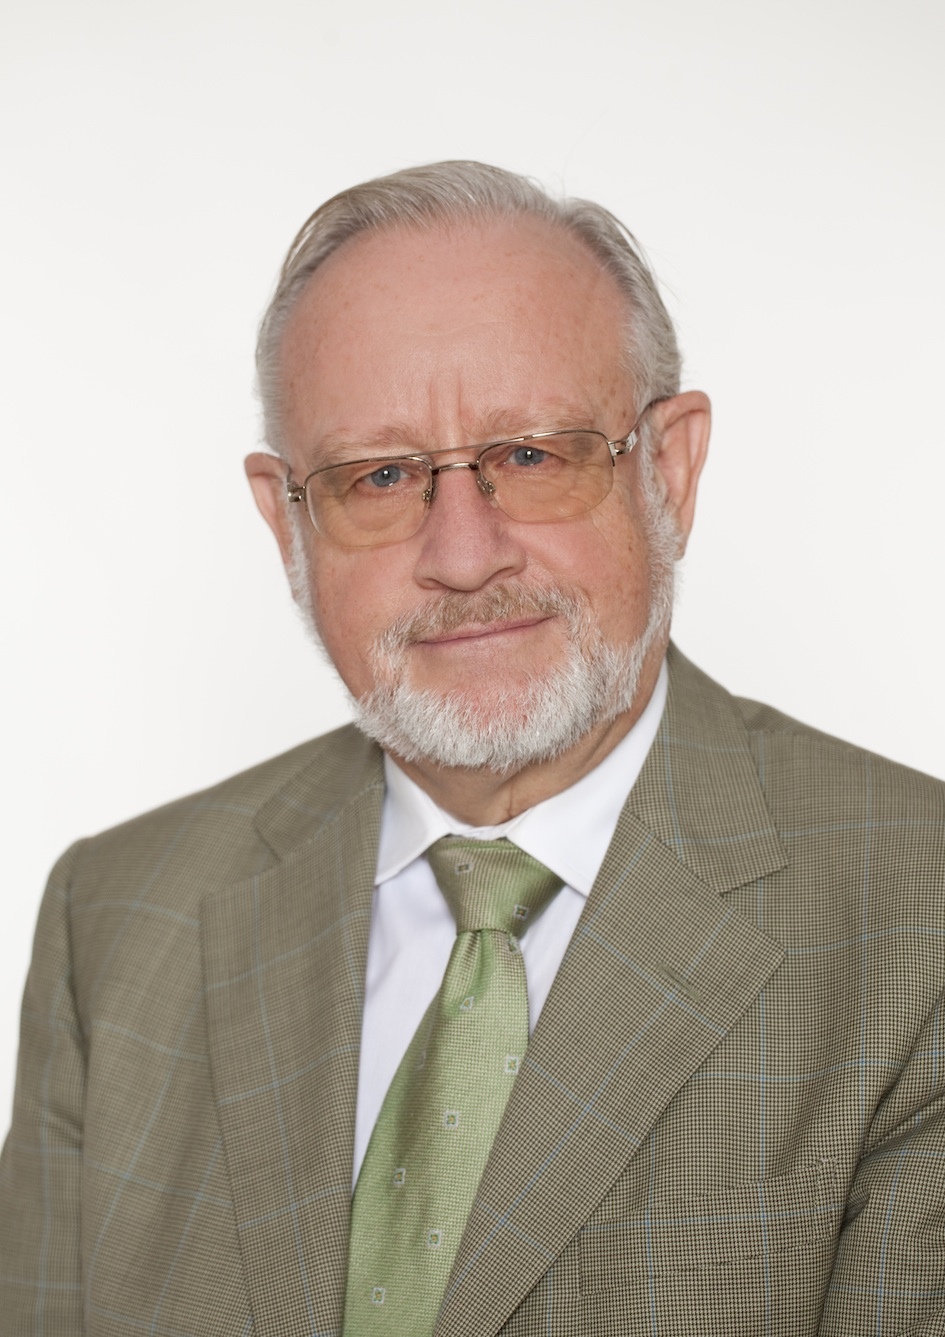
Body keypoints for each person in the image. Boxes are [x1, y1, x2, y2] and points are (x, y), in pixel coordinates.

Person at [1, 161, 943, 1337]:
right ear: (285, 520)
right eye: (380, 475)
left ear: (671, 469)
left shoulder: (921, 918)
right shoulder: (118, 917)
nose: (461, 553)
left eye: (534, 454)